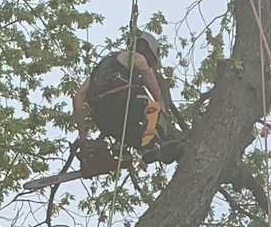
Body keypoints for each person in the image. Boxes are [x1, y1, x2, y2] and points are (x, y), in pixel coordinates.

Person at [73, 28, 186, 174]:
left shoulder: (98, 70)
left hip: (102, 118)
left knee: (133, 134)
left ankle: (149, 150)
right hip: (121, 100)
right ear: (145, 48)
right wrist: (159, 101)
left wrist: (83, 135)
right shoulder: (131, 55)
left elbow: (78, 98)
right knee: (152, 107)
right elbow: (145, 70)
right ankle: (164, 139)